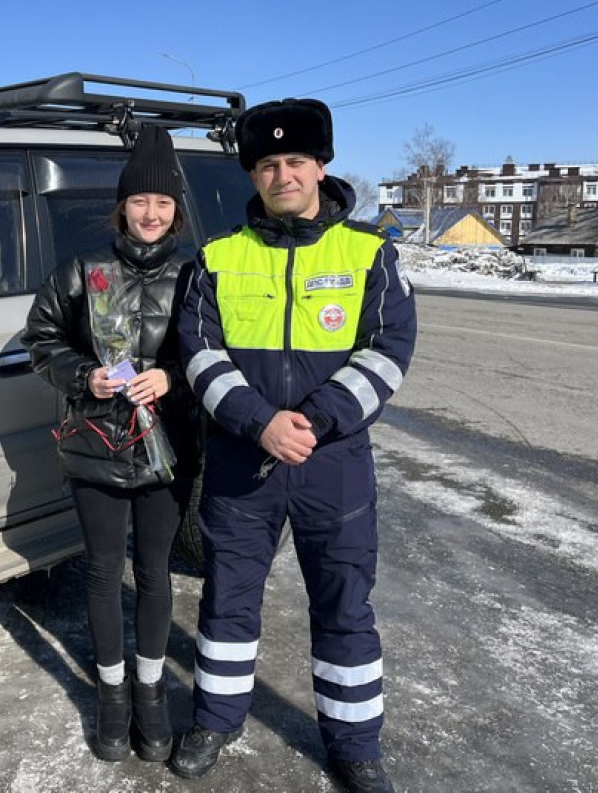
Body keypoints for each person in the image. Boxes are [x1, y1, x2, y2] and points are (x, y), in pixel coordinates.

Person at [171, 98, 417, 793]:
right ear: (252, 174)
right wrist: (259, 423)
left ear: (320, 166)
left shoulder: (369, 252)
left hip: (330, 464)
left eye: (295, 161)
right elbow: (198, 353)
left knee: (343, 604)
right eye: (268, 164)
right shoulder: (217, 258)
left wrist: (312, 421)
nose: (283, 175)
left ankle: (354, 745)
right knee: (226, 601)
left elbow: (388, 351)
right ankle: (215, 721)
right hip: (241, 461)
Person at [23, 124, 200, 763]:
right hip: (96, 443)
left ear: (175, 211)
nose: (150, 214)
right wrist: (84, 375)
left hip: (166, 448)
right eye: (139, 201)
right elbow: (40, 340)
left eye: (162, 203)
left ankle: (151, 695)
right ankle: (111, 695)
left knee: (154, 574)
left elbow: (216, 353)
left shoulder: (193, 276)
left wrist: (171, 376)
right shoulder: (81, 270)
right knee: (102, 573)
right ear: (121, 206)